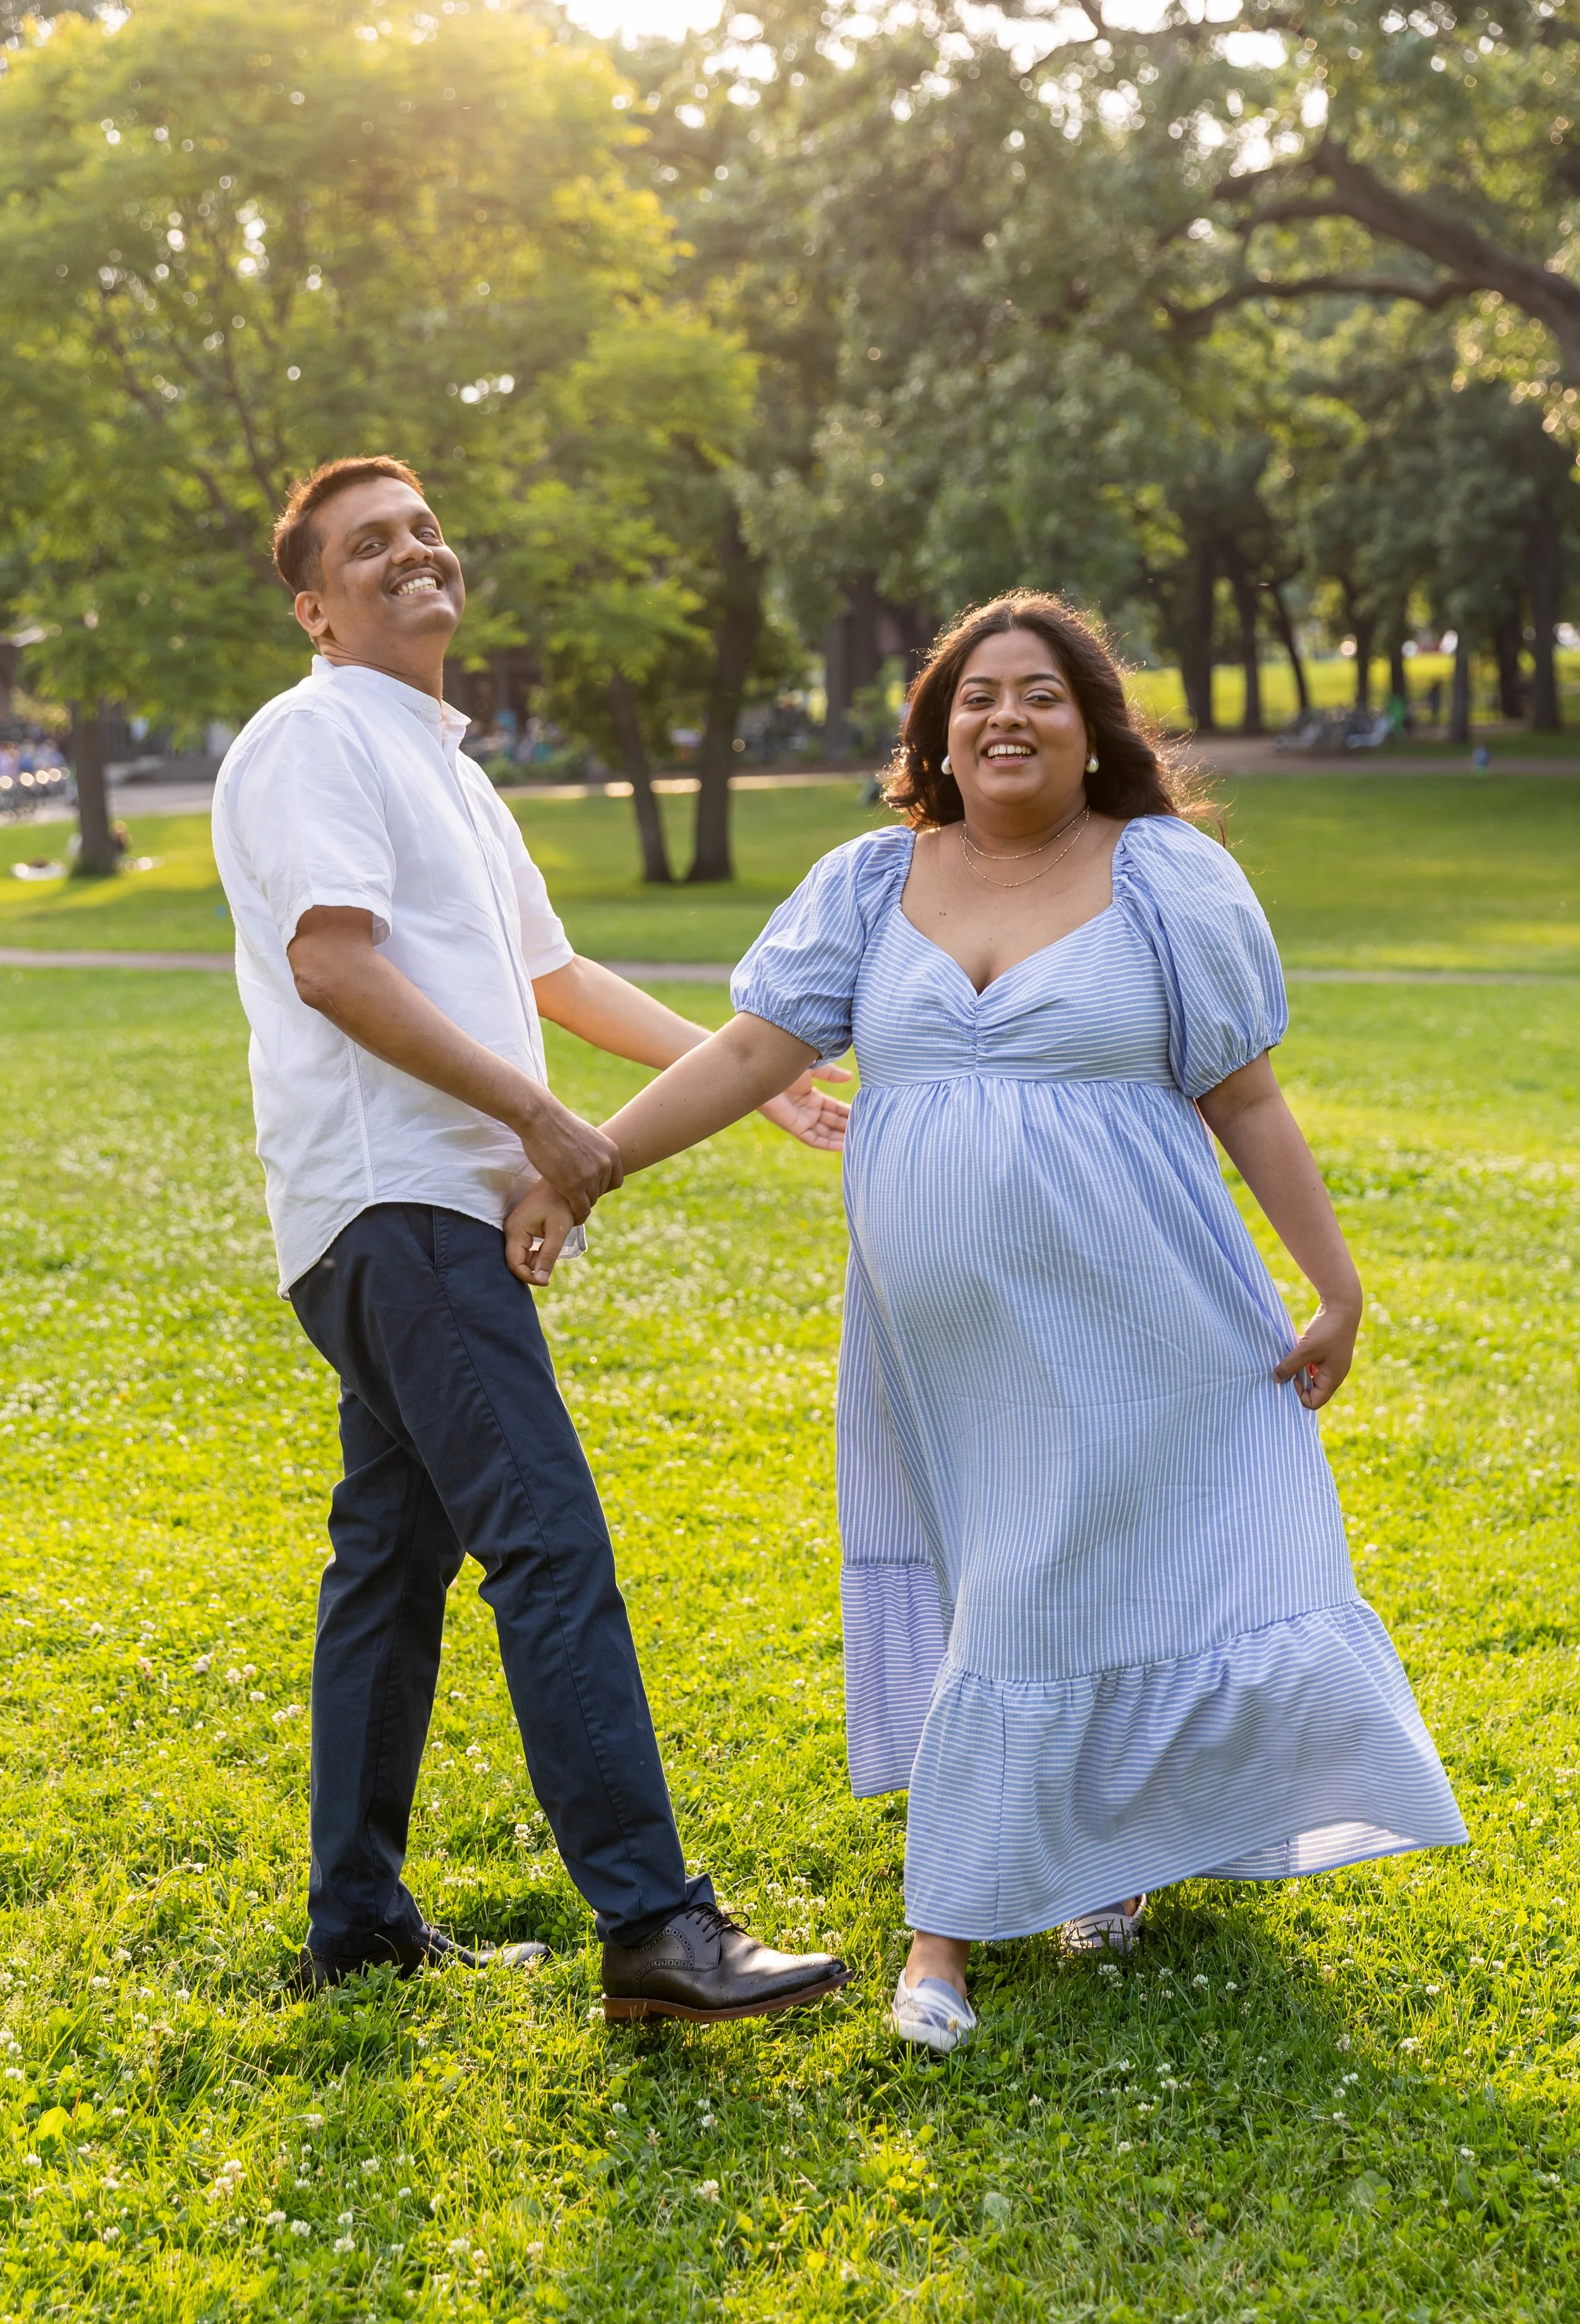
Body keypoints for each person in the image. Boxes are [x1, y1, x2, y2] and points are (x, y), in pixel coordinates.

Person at [509, 591, 1468, 2053]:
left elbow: (1245, 1094)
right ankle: (1078, 1869)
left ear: (1091, 733)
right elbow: (753, 1048)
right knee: (1013, 1579)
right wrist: (592, 1164)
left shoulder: (1161, 877)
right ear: (934, 738)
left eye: (1037, 694)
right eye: (973, 697)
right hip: (944, 1345)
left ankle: (940, 1944)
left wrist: (1332, 1283)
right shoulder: (866, 885)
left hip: (1142, 1311)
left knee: (1090, 1574)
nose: (1001, 716)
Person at [211, 452, 852, 2022]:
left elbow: (554, 977)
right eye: (370, 545)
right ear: (314, 604)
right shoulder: (310, 741)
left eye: (423, 529)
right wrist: (537, 1120)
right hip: (399, 1207)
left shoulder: (445, 762)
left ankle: (355, 1921)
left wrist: (745, 1078)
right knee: (547, 1544)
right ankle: (651, 1923)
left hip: (411, 1215)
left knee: (391, 1561)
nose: (412, 552)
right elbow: (334, 967)